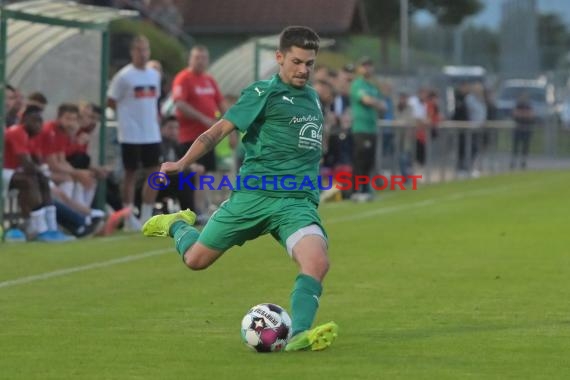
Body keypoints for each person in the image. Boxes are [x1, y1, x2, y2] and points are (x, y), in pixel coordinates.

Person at [142, 26, 338, 352]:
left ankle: (300, 334)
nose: (303, 69)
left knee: (317, 262)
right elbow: (218, 131)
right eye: (297, 61)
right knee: (195, 260)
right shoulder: (262, 93)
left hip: (295, 202)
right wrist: (182, 163)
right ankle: (176, 224)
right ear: (280, 58)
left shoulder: (314, 99)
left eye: (309, 63)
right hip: (252, 198)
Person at [107, 35, 161, 229]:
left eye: (146, 49)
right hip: (130, 133)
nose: (143, 54)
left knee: (154, 173)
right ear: (132, 52)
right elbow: (111, 100)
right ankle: (129, 215)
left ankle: (146, 215)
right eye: (139, 50)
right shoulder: (124, 76)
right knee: (130, 173)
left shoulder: (154, 75)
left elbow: (155, 102)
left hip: (151, 133)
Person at [349, 56, 386, 201]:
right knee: (360, 160)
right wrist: (375, 102)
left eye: (369, 65)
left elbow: (382, 105)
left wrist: (375, 102)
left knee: (369, 161)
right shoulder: (358, 84)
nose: (367, 68)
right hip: (361, 127)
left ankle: (365, 189)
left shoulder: (372, 86)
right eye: (364, 65)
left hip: (372, 128)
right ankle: (356, 190)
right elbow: (366, 100)